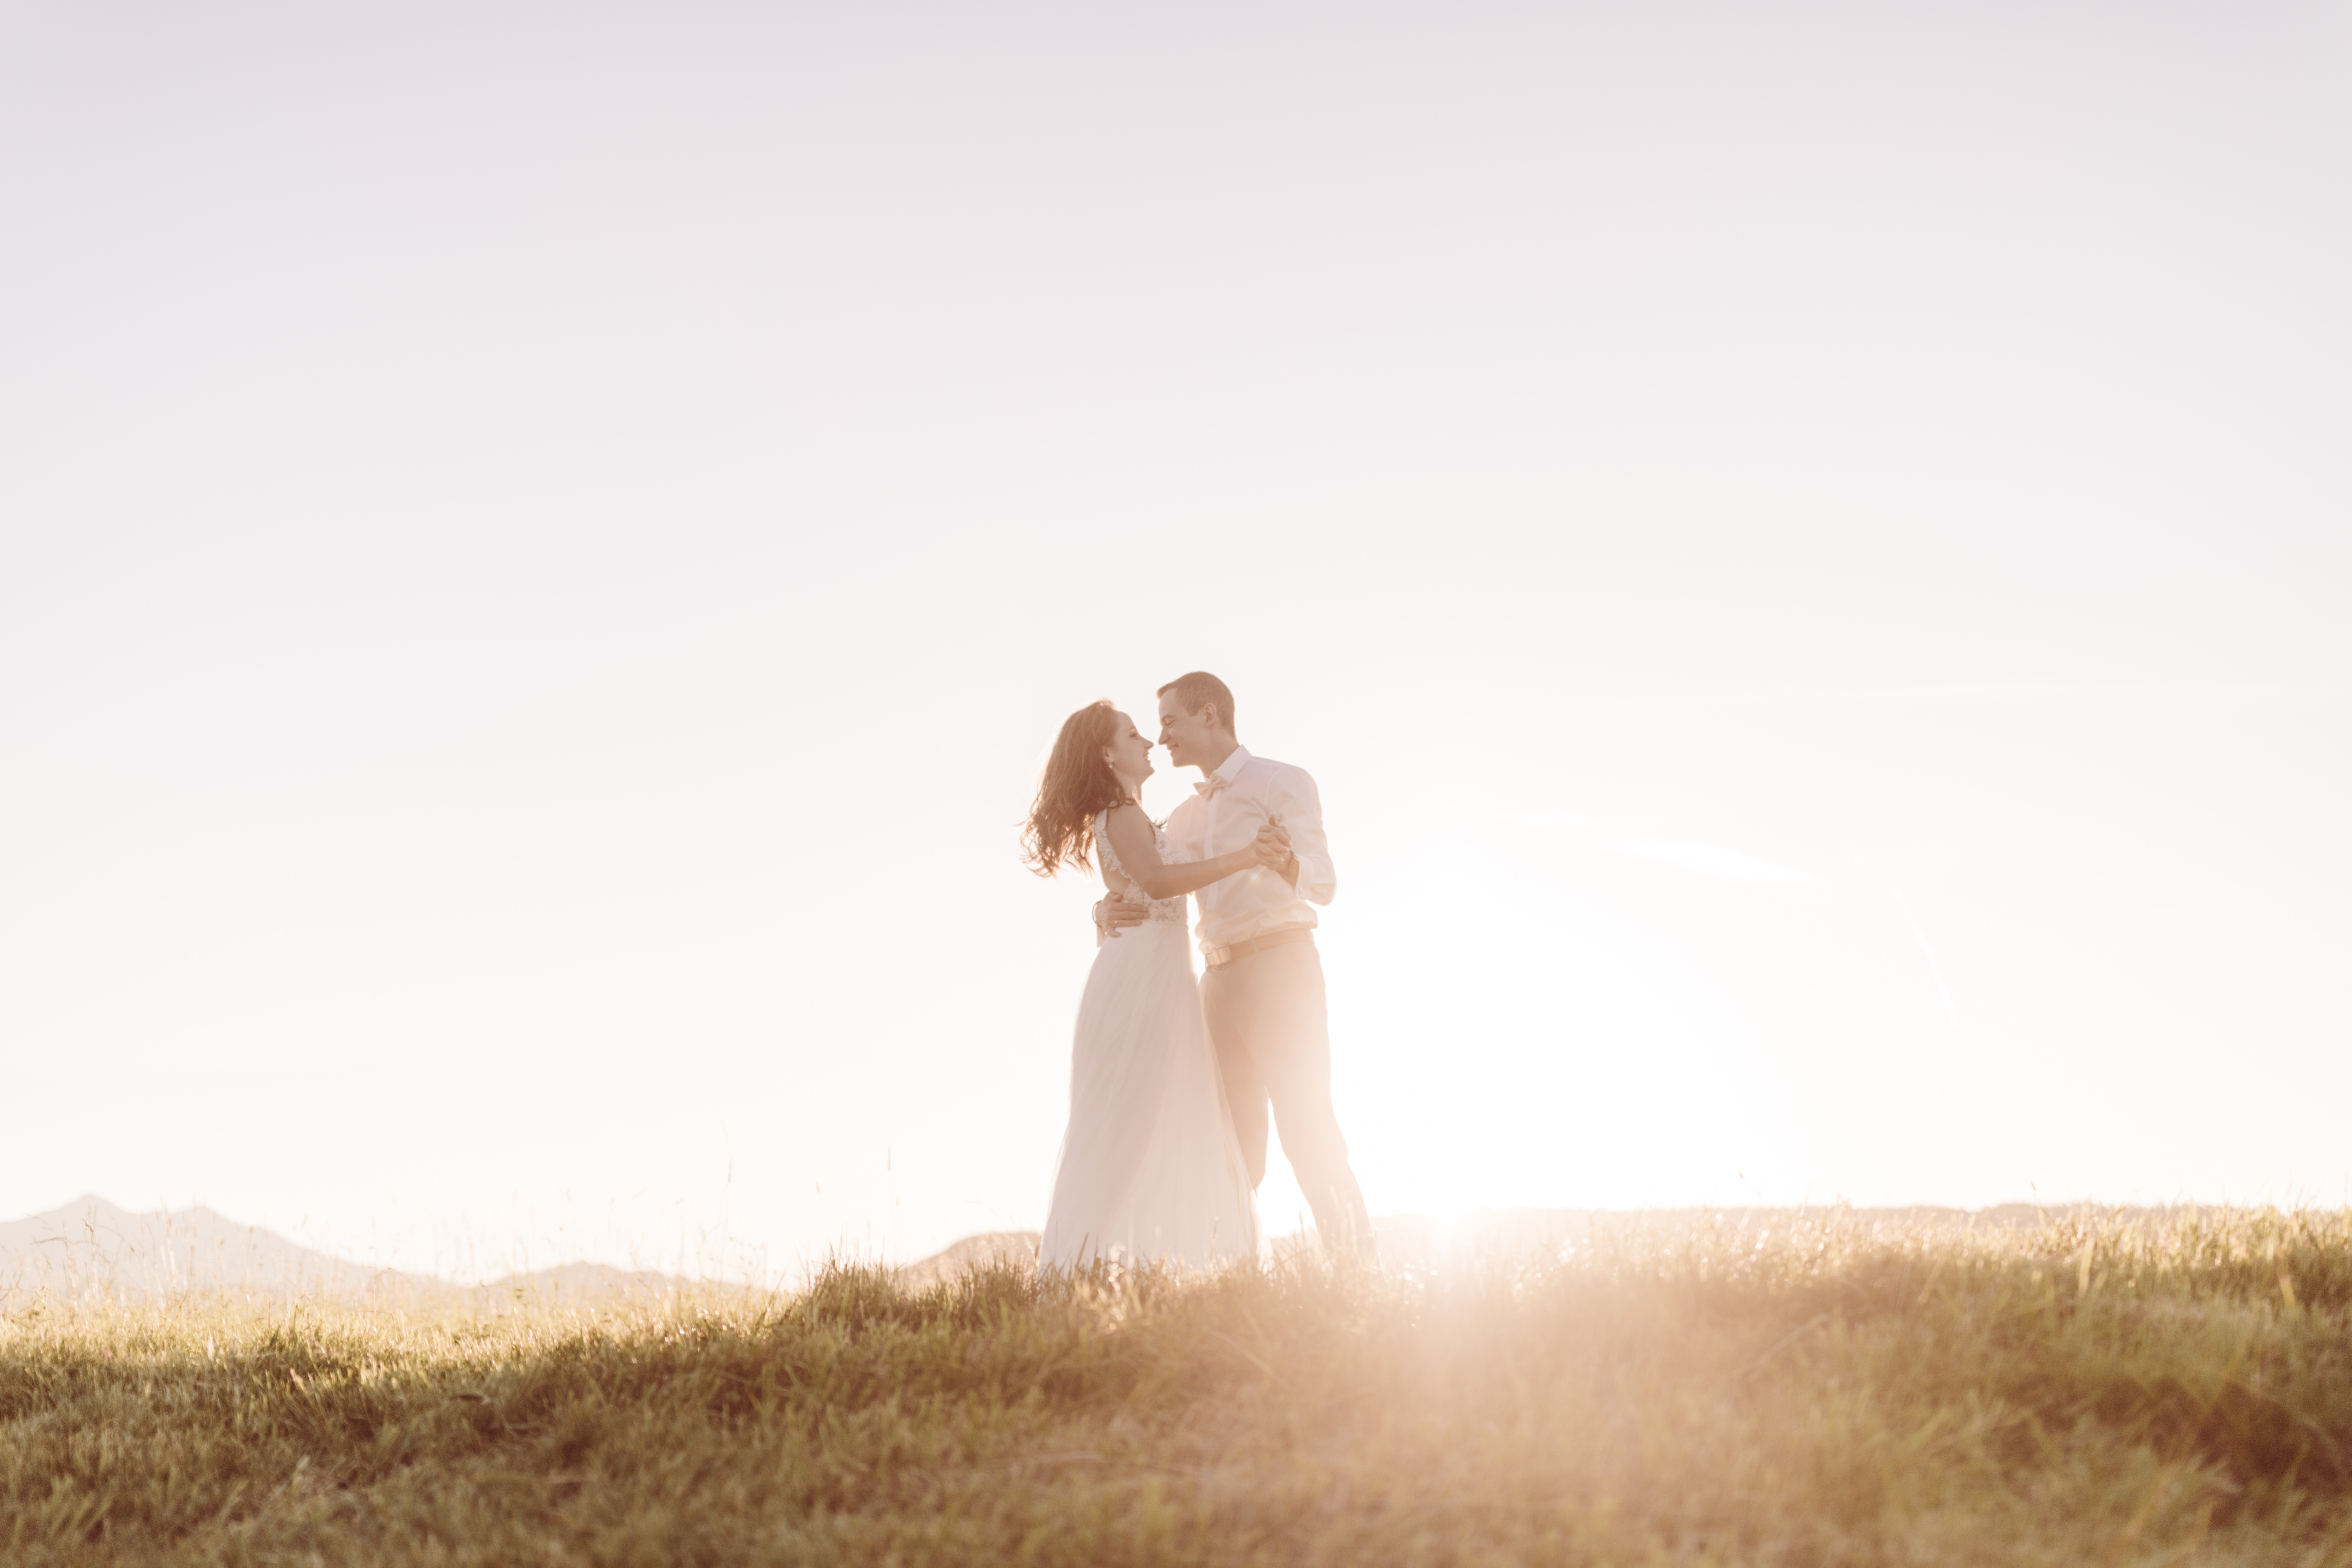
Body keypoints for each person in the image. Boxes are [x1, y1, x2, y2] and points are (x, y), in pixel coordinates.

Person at [1096, 672, 1373, 1256]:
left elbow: (1324, 881)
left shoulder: (1282, 781)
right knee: (1231, 1142)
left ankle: (1358, 1270)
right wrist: (1103, 906)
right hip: (1215, 985)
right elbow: (1150, 875)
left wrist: (1285, 863)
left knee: (1306, 1126)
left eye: (1170, 721)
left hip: (1281, 968)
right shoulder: (1182, 819)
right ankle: (1224, 1274)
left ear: (1210, 716)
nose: (1162, 736)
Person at [1022, 699, 1286, 1270]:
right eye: (1135, 734)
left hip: (1160, 977)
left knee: (1161, 1116)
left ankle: (1154, 1263)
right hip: (1140, 981)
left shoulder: (1136, 816)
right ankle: (1079, 1269)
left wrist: (1101, 908)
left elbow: (1141, 878)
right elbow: (1157, 880)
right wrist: (1244, 857)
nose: (1148, 743)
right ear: (1108, 753)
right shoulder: (1119, 812)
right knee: (1127, 1118)